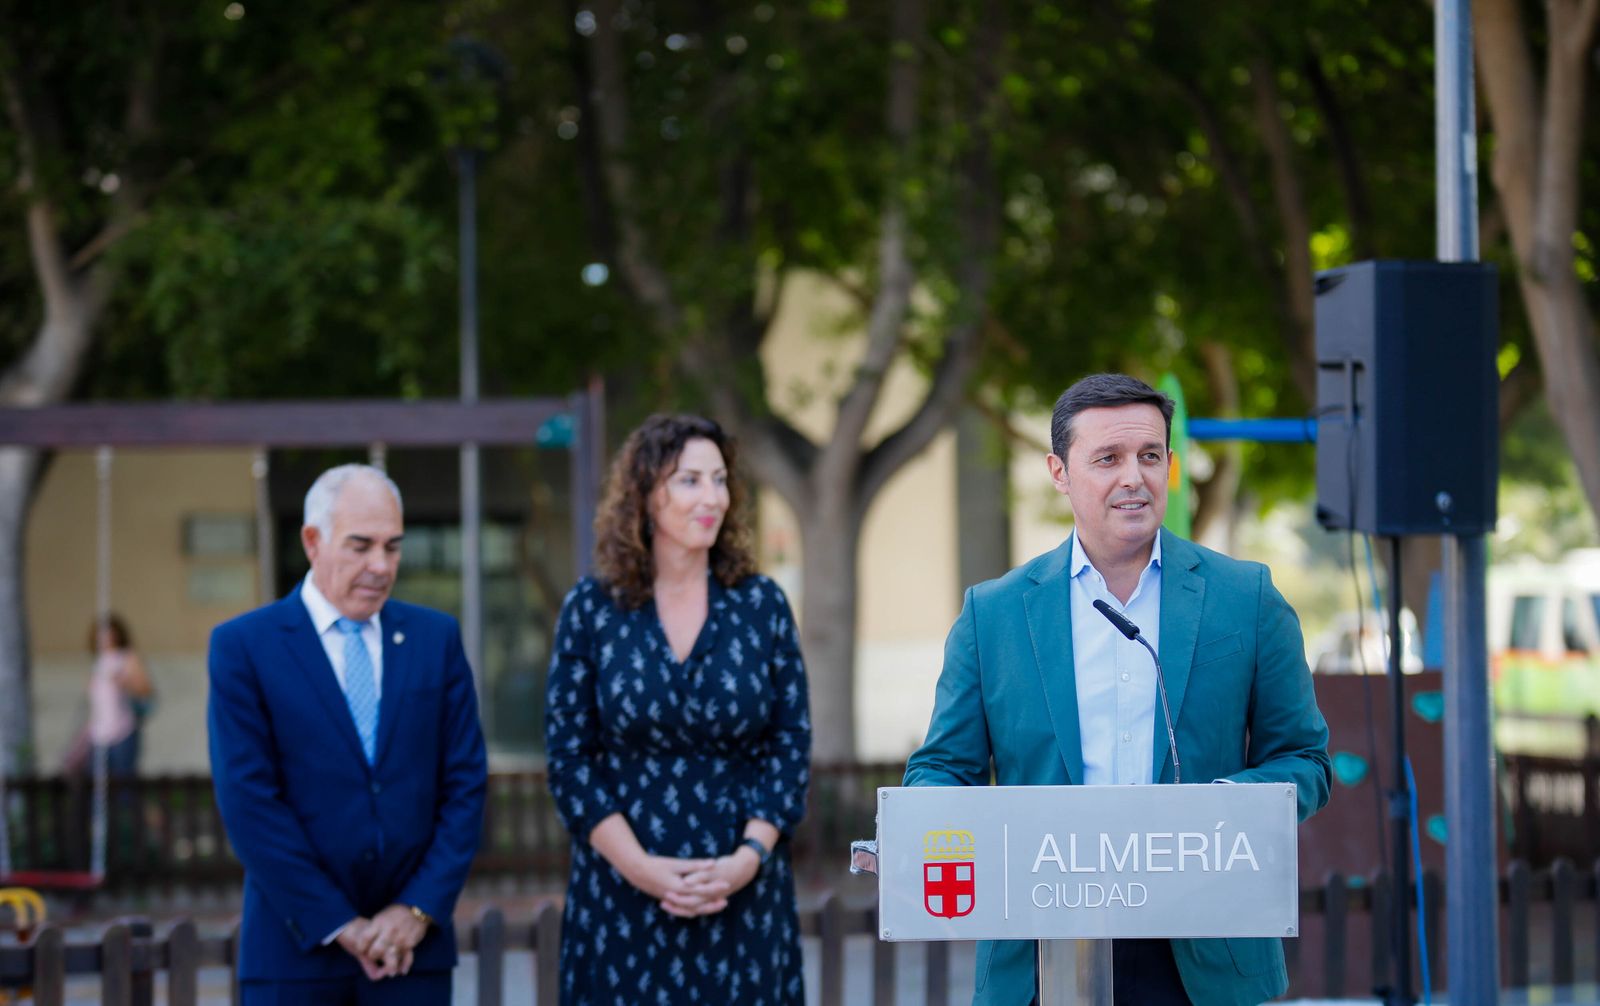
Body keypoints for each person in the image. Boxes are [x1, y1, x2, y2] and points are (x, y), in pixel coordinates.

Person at [904, 373, 1331, 1006]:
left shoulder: (1247, 599)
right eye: (1108, 459)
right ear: (1060, 472)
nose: (1134, 476)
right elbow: (940, 768)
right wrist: (928, 824)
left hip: (1204, 953)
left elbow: (1306, 761)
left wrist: (1219, 808)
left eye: (1150, 456)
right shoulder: (992, 615)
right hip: (1044, 950)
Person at [545, 413, 812, 1006]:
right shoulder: (592, 608)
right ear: (645, 492)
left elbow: (789, 744)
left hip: (743, 896)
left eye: (719, 480)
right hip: (620, 898)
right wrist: (641, 867)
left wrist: (748, 858)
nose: (711, 497)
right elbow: (569, 759)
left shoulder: (761, 604)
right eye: (689, 480)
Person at [208, 464, 487, 1005]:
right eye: (360, 546)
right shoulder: (245, 647)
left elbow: (466, 785)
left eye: (392, 547)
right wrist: (340, 923)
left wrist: (416, 910)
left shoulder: (436, 639)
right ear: (312, 541)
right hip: (295, 954)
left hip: (414, 956)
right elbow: (249, 802)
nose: (380, 566)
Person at [69, 614, 154, 778]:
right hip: (98, 732)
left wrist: (125, 683)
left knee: (124, 780)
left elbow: (146, 690)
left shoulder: (127, 658)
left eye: (109, 634)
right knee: (96, 779)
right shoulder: (98, 662)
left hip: (123, 729)